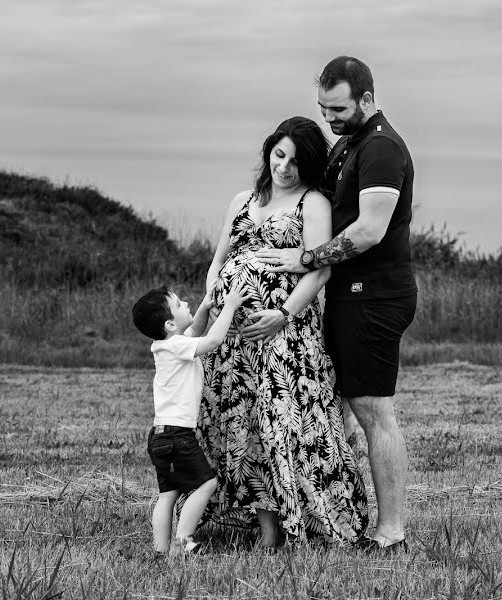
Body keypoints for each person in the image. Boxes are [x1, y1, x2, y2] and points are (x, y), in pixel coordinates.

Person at [256, 56, 417, 552]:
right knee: (342, 411)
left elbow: (369, 230)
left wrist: (305, 258)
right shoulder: (351, 142)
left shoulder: (383, 148)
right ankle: (333, 514)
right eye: (323, 108)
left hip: (376, 297)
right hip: (349, 297)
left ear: (366, 99)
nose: (330, 118)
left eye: (339, 108)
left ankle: (391, 533)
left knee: (373, 411)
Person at [199, 116, 369, 549]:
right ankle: (268, 529)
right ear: (269, 151)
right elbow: (219, 261)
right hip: (234, 344)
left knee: (286, 429)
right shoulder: (242, 200)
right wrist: (214, 302)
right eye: (279, 154)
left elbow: (320, 270)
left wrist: (282, 313)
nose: (285, 167)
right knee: (245, 428)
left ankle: (309, 519)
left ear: (309, 166)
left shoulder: (312, 203)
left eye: (295, 161)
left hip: (285, 340)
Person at [131, 281, 249, 555]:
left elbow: (194, 331)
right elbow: (211, 341)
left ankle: (160, 549)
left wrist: (204, 309)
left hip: (159, 436)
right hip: (177, 436)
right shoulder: (177, 347)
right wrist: (230, 306)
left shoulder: (164, 346)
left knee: (167, 494)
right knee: (207, 482)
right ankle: (183, 539)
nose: (186, 304)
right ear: (170, 325)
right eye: (179, 304)